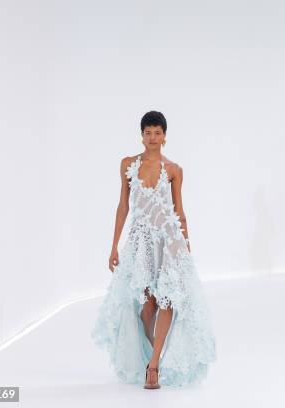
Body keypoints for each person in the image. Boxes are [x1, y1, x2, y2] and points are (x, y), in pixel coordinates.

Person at [91, 111, 216, 389]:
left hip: (169, 239)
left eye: (157, 132)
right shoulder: (128, 165)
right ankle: (154, 351)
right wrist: (113, 245)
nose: (152, 137)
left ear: (165, 136)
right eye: (148, 132)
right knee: (146, 307)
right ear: (141, 135)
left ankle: (155, 365)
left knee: (168, 300)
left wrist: (185, 241)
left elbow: (179, 211)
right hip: (140, 241)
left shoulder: (173, 169)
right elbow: (123, 206)